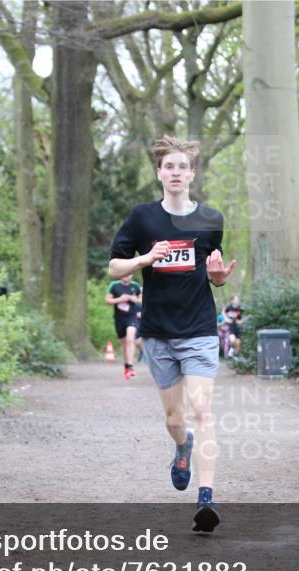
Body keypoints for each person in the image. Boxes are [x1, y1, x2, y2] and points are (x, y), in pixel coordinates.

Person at [108, 135, 236, 532]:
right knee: (174, 417)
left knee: (203, 411)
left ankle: (207, 498)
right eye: (169, 167)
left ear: (192, 173)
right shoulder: (143, 218)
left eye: (183, 167)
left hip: (198, 328)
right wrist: (146, 258)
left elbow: (212, 274)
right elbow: (114, 267)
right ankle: (182, 447)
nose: (176, 172)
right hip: (159, 332)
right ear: (159, 173)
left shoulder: (210, 220)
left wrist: (217, 280)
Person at [105, 275, 142, 379]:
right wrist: (120, 299)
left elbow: (142, 300)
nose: (126, 276)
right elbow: (107, 300)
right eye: (124, 274)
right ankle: (126, 367)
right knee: (125, 343)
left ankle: (130, 367)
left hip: (132, 316)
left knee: (131, 338)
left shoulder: (135, 286)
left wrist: (135, 299)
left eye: (129, 274)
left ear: (132, 275)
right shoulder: (114, 285)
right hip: (120, 318)